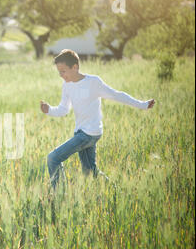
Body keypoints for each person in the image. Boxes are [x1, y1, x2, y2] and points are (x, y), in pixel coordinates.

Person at [40, 49, 155, 188]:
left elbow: (117, 95)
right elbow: (63, 110)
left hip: (89, 134)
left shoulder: (93, 82)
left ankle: (59, 195)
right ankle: (115, 191)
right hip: (81, 132)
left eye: (63, 71)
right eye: (59, 72)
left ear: (75, 67)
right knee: (90, 171)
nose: (61, 75)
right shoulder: (67, 85)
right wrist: (49, 110)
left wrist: (142, 105)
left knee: (53, 158)